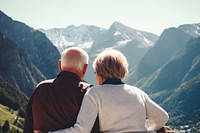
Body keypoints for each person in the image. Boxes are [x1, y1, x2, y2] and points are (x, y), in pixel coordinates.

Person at [45, 48, 169, 133]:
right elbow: (162, 117)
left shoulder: (94, 93)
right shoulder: (138, 92)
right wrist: (147, 129)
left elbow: (81, 130)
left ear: (99, 73)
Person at [23, 47, 100, 133]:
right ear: (85, 68)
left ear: (59, 65)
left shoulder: (41, 88)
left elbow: (28, 126)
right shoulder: (89, 93)